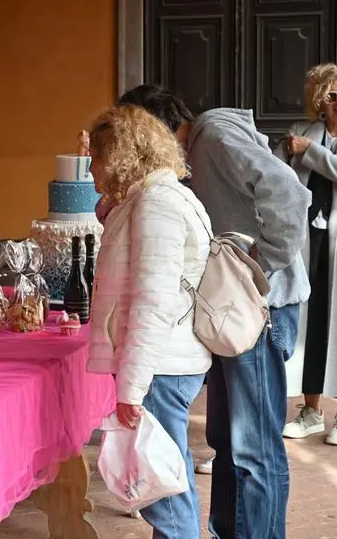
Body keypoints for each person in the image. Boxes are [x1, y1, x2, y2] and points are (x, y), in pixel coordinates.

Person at [118, 84, 311, 539]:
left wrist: (261, 263)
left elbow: (289, 193)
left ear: (151, 131)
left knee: (254, 449)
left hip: (259, 311)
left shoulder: (215, 135)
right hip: (234, 315)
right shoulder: (191, 158)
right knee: (228, 441)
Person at [86, 104, 212, 539]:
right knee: (165, 480)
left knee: (166, 496)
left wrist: (132, 387)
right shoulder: (151, 196)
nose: (90, 167)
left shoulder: (156, 203)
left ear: (121, 155)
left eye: (97, 157)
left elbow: (152, 303)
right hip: (164, 361)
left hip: (160, 365)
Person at [277, 63, 337, 443]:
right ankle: (311, 410)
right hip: (307, 239)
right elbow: (282, 178)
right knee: (310, 321)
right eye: (332, 96)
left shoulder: (309, 142)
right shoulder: (305, 132)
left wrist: (309, 152)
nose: (336, 103)